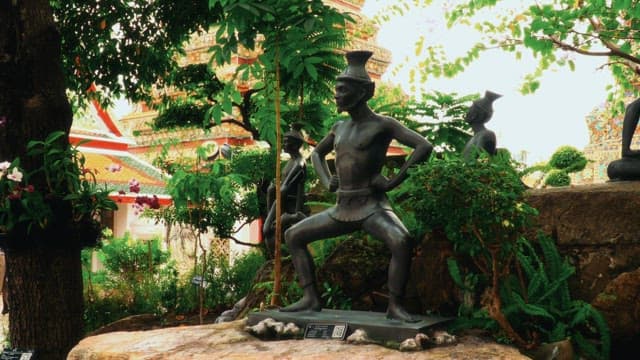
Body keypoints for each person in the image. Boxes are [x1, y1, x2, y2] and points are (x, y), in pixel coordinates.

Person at [280, 50, 433, 322]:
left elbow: (423, 145)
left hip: (372, 207)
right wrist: (328, 181)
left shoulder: (383, 125)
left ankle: (395, 306)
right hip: (341, 207)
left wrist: (394, 182)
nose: (336, 95)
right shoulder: (339, 127)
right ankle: (310, 297)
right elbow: (316, 154)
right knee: (293, 235)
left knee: (401, 240)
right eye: (336, 89)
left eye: (341, 90)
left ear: (362, 92)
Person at [262, 124, 308, 256]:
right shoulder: (290, 162)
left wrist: (271, 217)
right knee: (269, 233)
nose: (283, 144)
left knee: (267, 230)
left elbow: (284, 190)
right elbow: (279, 188)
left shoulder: (299, 164)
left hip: (293, 209)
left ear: (295, 145)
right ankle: (278, 261)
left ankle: (282, 260)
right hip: (282, 204)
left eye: (286, 142)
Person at [462, 90, 502, 160]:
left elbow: (481, 162)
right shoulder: (473, 138)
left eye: (470, 110)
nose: (467, 113)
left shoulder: (487, 135)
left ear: (474, 115)